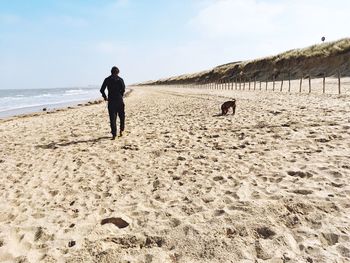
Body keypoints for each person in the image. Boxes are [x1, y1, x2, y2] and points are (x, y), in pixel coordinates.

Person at [100, 66, 125, 140]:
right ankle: (121, 130)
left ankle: (114, 135)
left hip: (111, 101)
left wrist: (105, 97)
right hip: (119, 100)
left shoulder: (107, 79)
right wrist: (120, 96)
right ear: (118, 72)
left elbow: (102, 90)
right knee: (122, 116)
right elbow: (123, 89)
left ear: (111, 72)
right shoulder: (120, 79)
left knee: (112, 118)